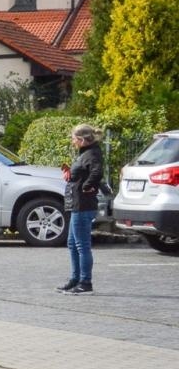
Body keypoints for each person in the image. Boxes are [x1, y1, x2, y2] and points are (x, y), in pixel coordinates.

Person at [60, 123, 105, 295]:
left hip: (83, 205)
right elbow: (86, 173)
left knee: (82, 245)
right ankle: (75, 278)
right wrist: (71, 175)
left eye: (74, 139)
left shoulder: (92, 154)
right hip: (77, 204)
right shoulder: (86, 153)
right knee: (72, 243)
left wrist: (86, 186)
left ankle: (85, 282)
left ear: (81, 140)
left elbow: (97, 173)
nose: (72, 142)